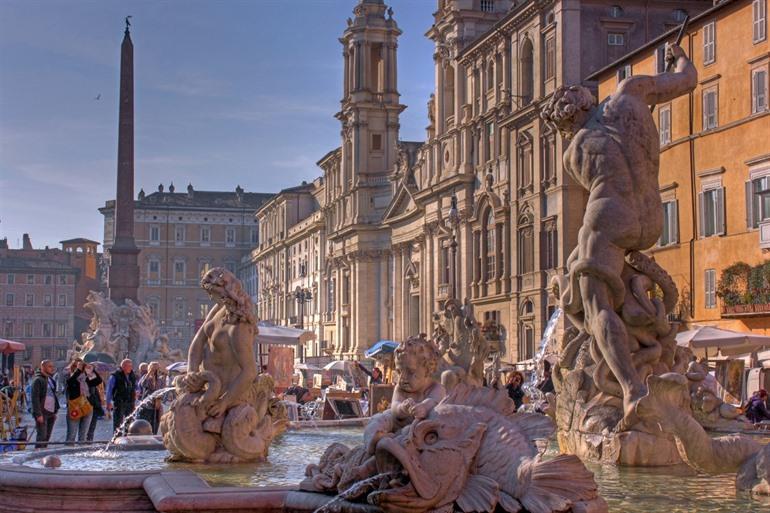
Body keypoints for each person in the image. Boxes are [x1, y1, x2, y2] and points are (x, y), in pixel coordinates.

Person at [541, 43, 697, 428]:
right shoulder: (631, 93)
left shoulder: (573, 152)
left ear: (565, 124)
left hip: (611, 215)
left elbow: (600, 178)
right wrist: (679, 58)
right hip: (650, 218)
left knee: (593, 301)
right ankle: (626, 343)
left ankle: (630, 387)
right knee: (582, 268)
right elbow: (688, 79)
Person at [65, 358, 102, 444]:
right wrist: (78, 370)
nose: (81, 368)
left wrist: (91, 370)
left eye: (82, 366)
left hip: (87, 406)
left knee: (83, 435)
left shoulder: (87, 378)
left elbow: (98, 381)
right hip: (75, 407)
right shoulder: (69, 376)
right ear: (73, 367)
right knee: (71, 435)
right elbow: (70, 383)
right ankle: (69, 454)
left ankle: (81, 454)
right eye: (77, 366)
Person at [30, 360, 59, 449]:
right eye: (49, 366)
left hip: (50, 412)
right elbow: (35, 398)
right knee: (41, 437)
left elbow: (53, 395)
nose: (52, 368)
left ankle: (43, 454)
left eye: (52, 366)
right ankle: (37, 455)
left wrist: (54, 411)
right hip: (42, 412)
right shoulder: (38, 380)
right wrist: (38, 414)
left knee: (46, 436)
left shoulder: (50, 379)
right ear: (43, 367)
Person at [106, 359, 137, 433]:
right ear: (122, 366)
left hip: (130, 402)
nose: (130, 368)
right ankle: (117, 439)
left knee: (129, 422)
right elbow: (109, 390)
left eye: (131, 366)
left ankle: (127, 438)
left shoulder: (132, 375)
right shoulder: (115, 375)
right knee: (118, 423)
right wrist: (108, 402)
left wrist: (137, 392)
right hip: (119, 402)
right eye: (128, 366)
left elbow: (135, 386)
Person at [137, 361, 165, 434]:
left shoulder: (160, 379)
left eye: (157, 369)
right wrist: (149, 373)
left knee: (155, 425)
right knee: (144, 424)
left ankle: (153, 436)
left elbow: (163, 391)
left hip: (156, 406)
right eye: (153, 368)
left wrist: (159, 399)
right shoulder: (146, 377)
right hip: (146, 406)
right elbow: (142, 385)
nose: (155, 371)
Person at [85, 364, 105, 442]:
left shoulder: (94, 379)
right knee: (86, 427)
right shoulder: (84, 378)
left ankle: (88, 441)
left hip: (94, 405)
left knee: (91, 427)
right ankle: (86, 442)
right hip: (88, 405)